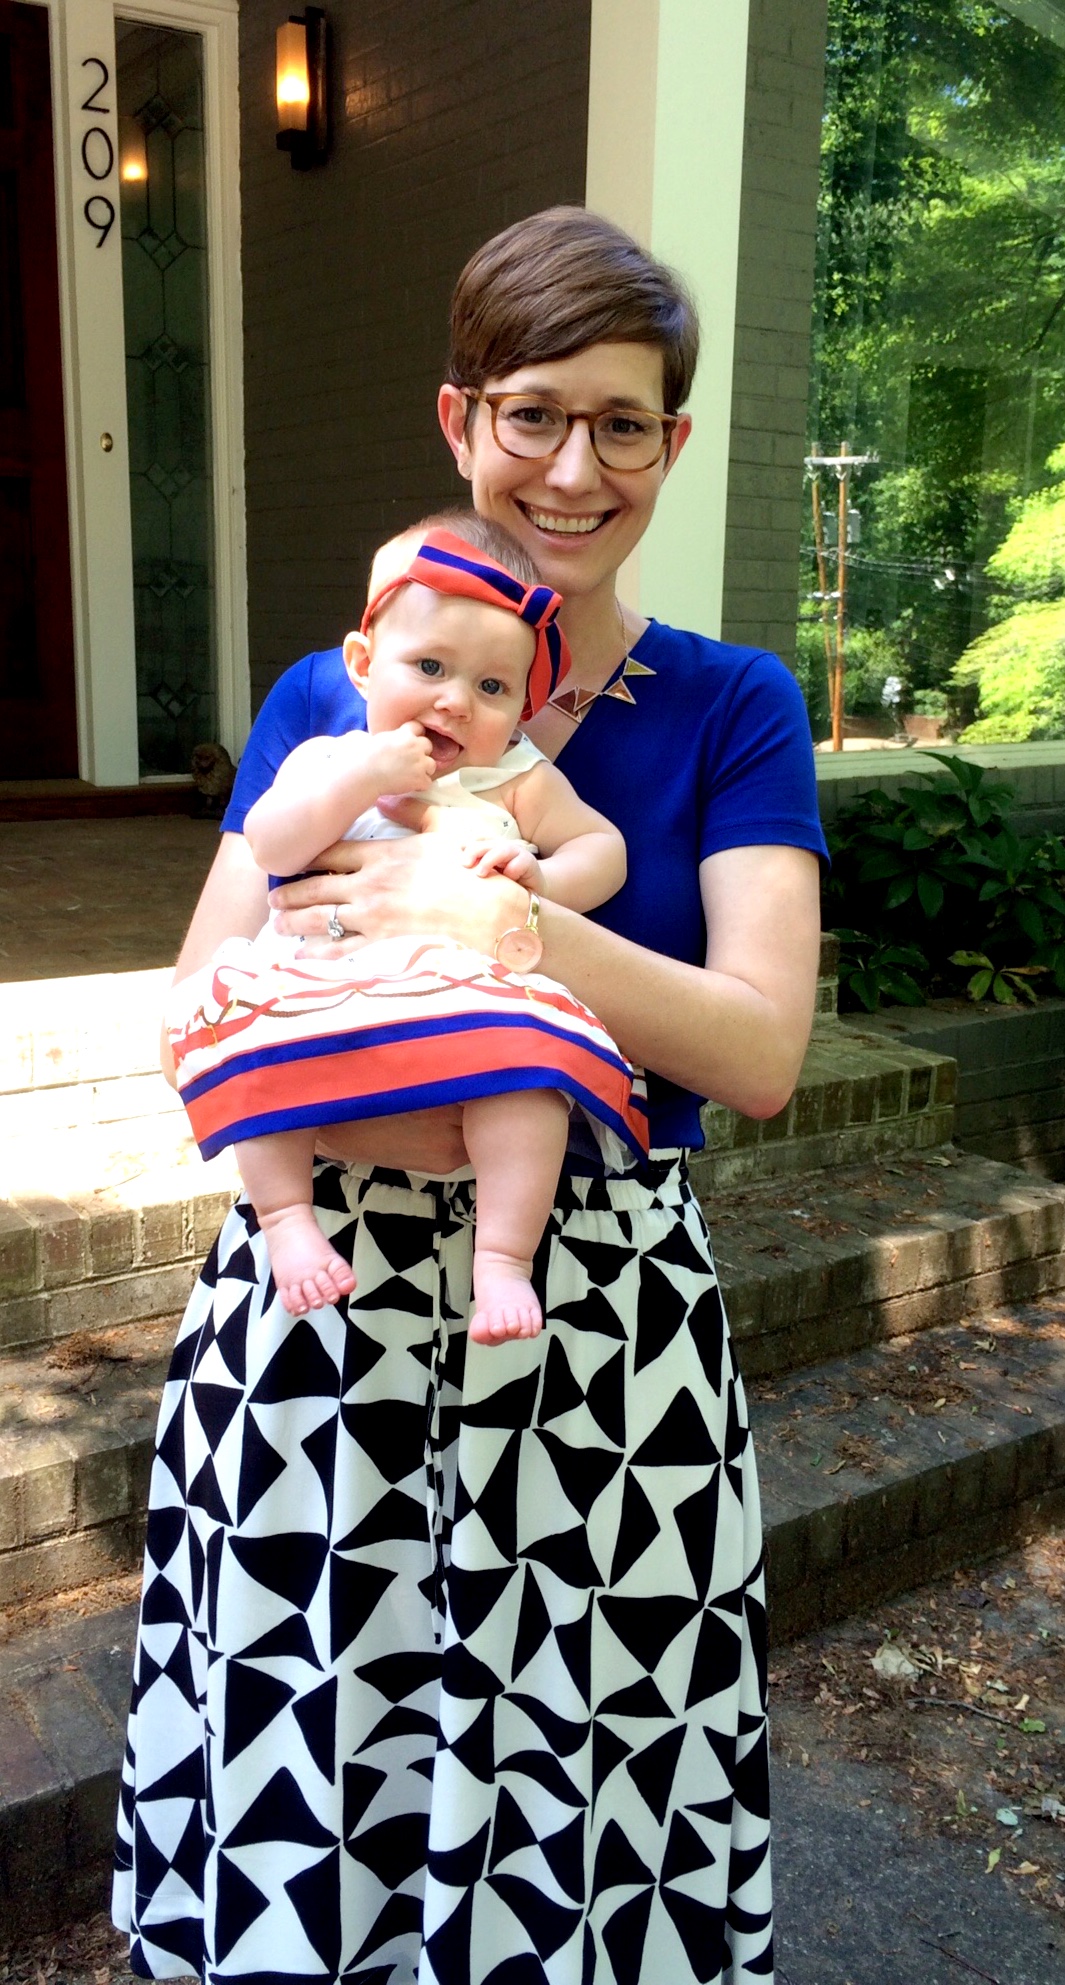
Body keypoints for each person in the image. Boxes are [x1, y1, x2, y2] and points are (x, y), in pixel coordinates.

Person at [114, 206, 827, 1985]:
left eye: (622, 424)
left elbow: (757, 1055)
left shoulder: (731, 705)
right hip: (322, 1299)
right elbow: (196, 1004)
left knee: (584, 1766)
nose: (573, 470)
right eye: (532, 414)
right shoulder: (332, 692)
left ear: (674, 440)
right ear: (460, 420)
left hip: (594, 1315)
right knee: (316, 1738)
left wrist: (494, 921)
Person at [167, 513, 645, 1340]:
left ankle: (503, 1257)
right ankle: (284, 1217)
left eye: (492, 687)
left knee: (530, 1088)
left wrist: (542, 878)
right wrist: (359, 781)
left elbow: (604, 849)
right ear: (362, 664)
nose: (455, 700)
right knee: (258, 1055)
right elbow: (272, 844)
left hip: (464, 1003)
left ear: (520, 709)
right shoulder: (323, 759)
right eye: (429, 667)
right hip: (322, 988)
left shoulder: (514, 778)